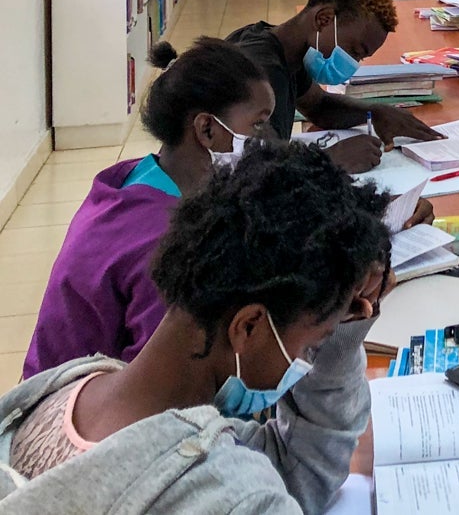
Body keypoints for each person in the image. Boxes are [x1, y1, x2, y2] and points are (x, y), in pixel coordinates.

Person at [0, 140, 393, 512]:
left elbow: (287, 473)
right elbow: (276, 485)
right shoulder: (233, 497)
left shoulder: (65, 390)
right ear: (249, 327)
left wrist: (337, 323)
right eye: (311, 348)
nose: (304, 363)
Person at [23, 39, 276, 378]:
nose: (268, 140)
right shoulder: (167, 244)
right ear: (207, 129)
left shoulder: (141, 175)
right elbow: (162, 385)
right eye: (258, 124)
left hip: (62, 390)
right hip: (77, 415)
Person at [225, 0, 441, 173]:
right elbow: (254, 175)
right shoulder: (262, 74)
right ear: (324, 19)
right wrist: (329, 159)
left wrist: (375, 113)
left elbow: (319, 106)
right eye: (354, 51)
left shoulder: (284, 49)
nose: (352, 64)